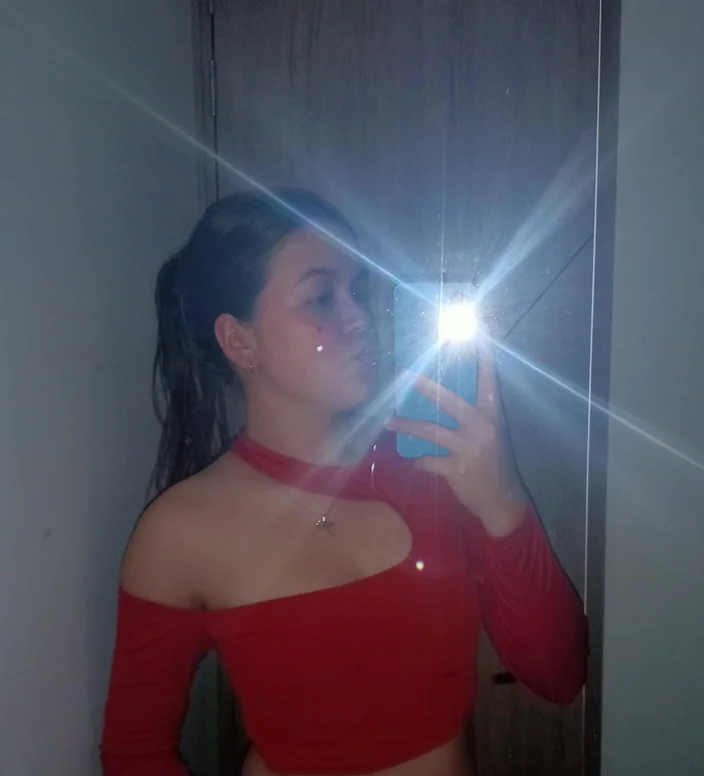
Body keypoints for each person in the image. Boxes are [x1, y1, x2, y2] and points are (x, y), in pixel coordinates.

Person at [100, 188, 587, 776]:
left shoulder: (437, 468)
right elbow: (135, 753)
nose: (361, 318)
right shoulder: (178, 532)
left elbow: (559, 676)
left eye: (359, 290)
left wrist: (502, 500)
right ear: (239, 341)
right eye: (322, 297)